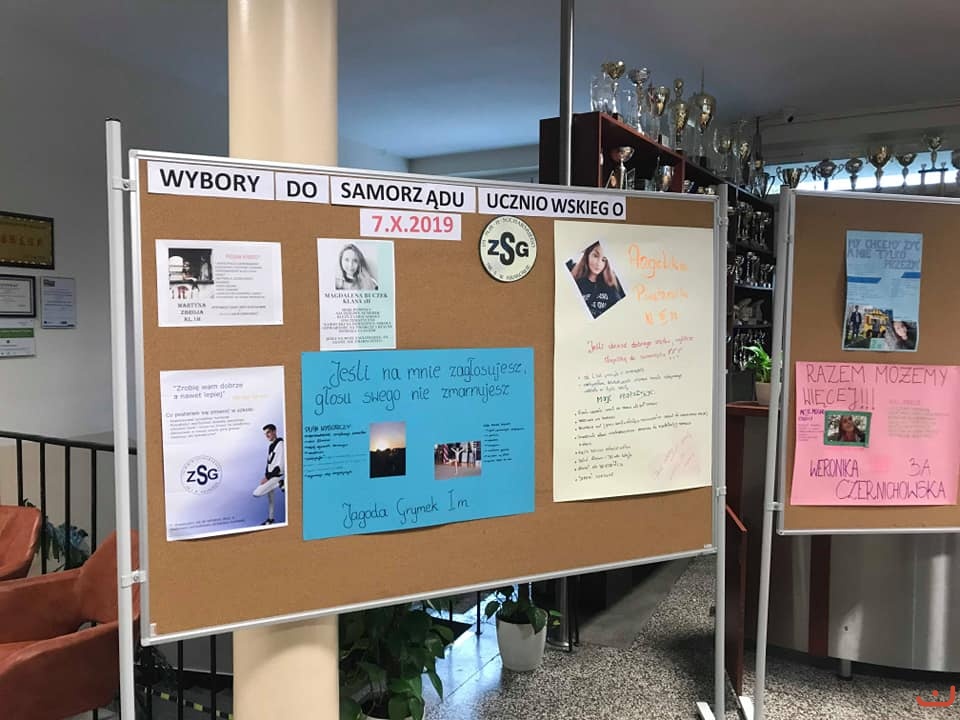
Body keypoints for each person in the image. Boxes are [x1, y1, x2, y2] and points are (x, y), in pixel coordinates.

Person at [569, 241, 625, 319]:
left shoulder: (613, 282)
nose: (598, 263)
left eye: (604, 259)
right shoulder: (574, 278)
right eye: (595, 256)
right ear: (587, 255)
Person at [252, 423, 285, 525]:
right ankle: (271, 519)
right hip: (270, 476)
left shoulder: (281, 443)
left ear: (274, 431)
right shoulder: (271, 446)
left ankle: (281, 482)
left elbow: (281, 464)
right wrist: (266, 476)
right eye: (265, 434)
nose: (267, 435)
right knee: (271, 500)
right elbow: (269, 463)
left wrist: (269, 477)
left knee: (257, 493)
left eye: (269, 432)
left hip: (276, 476)